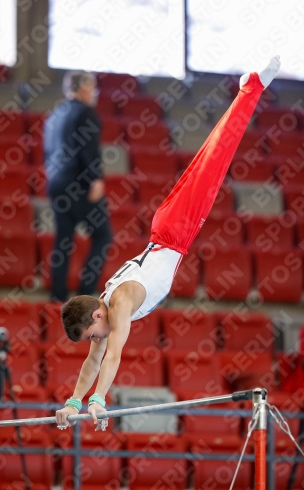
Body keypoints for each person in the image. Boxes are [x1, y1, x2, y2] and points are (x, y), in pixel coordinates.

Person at [55, 56, 281, 431]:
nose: (95, 340)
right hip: (171, 231)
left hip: (174, 232)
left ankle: (251, 86)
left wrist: (97, 400)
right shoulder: (104, 311)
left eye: (91, 334)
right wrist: (73, 402)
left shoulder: (121, 301)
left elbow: (111, 358)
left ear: (96, 315)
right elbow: (92, 362)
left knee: (217, 156)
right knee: (211, 158)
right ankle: (248, 89)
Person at [44, 71, 113, 302]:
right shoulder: (86, 113)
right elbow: (88, 151)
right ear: (82, 87)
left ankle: (58, 295)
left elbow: (48, 152)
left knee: (63, 239)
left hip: (56, 183)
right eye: (91, 87)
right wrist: (97, 178)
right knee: (103, 235)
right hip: (78, 184)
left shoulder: (54, 115)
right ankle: (85, 294)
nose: (94, 92)